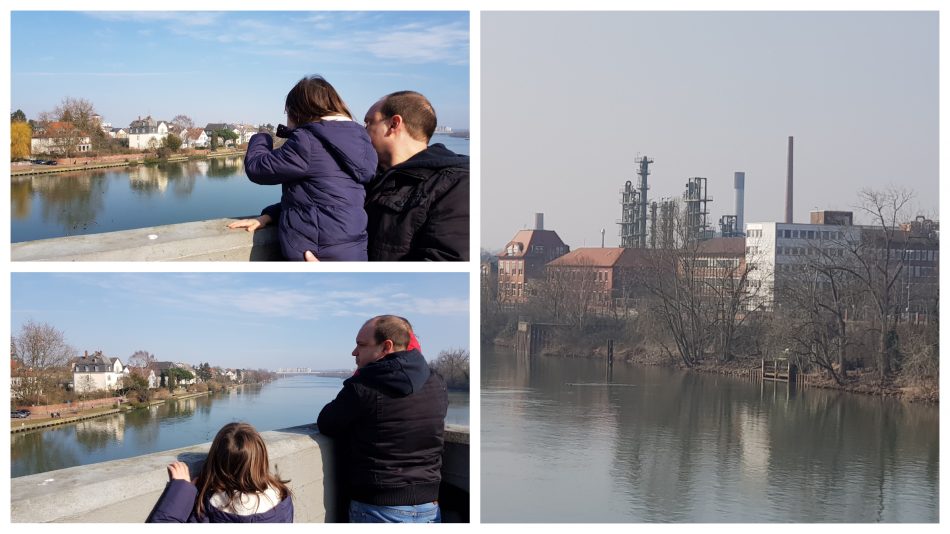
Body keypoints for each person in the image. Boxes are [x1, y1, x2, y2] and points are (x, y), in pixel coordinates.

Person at [228, 75, 378, 261]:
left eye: (287, 112)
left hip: (319, 255)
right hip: (351, 252)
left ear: (297, 112)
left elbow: (257, 168)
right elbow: (324, 198)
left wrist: (261, 137)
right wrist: (271, 215)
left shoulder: (308, 142)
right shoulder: (360, 141)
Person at [317, 315, 448, 523]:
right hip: (429, 507)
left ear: (386, 346)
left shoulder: (364, 387)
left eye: (361, 345)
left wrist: (357, 377)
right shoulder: (436, 382)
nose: (354, 352)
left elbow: (327, 422)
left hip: (379, 508)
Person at [359, 91, 469, 261]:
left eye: (368, 123)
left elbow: (444, 261)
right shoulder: (368, 178)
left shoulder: (455, 185)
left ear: (394, 124)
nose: (362, 131)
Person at [146, 422, 293, 523]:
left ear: (215, 462)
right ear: (261, 460)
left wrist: (182, 491)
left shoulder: (213, 509)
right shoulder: (282, 500)